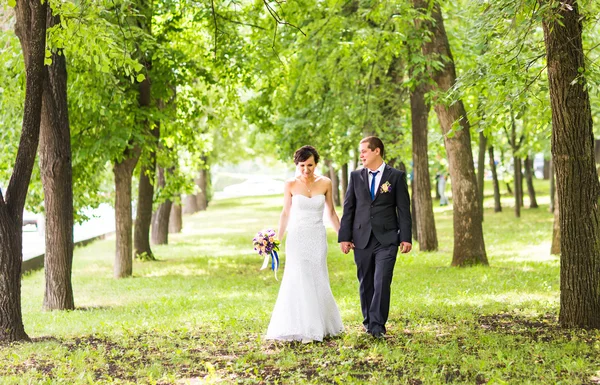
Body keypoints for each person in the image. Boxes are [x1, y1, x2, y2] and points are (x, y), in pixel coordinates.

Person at [265, 145, 344, 342]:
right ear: (297, 165)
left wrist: (343, 236)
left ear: (316, 164)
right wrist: (277, 239)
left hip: (317, 236)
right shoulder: (290, 184)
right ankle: (301, 326)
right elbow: (285, 213)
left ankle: (320, 324)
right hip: (297, 237)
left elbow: (332, 213)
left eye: (310, 165)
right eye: (302, 165)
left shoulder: (325, 183)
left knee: (318, 276)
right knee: (299, 276)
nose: (306, 170)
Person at [338, 136, 412, 339]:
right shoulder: (355, 176)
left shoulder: (395, 176)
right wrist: (344, 237)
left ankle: (378, 325)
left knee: (381, 281)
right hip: (361, 238)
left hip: (387, 238)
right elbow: (349, 208)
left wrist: (406, 238)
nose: (361, 155)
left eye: (364, 151)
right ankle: (368, 322)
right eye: (360, 152)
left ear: (376, 151)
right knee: (366, 282)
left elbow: (403, 209)